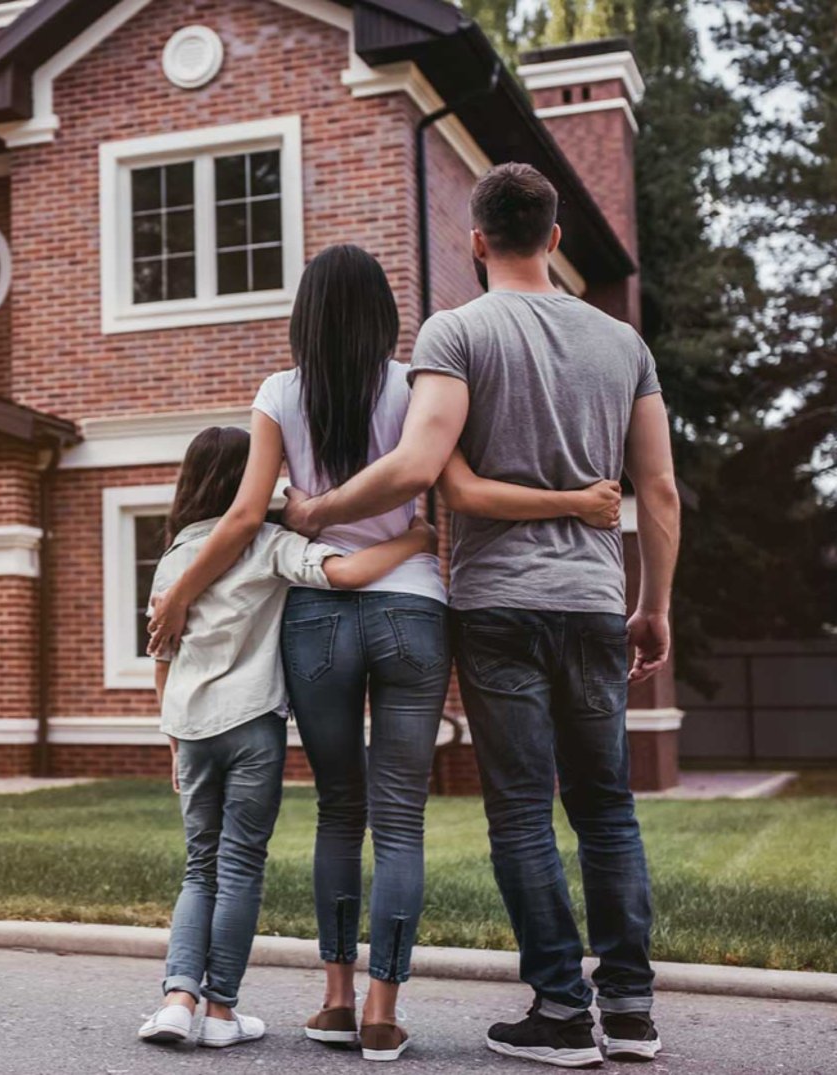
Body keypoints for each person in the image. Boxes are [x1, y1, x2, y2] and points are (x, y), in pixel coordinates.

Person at [146, 244, 620, 1063]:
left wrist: (183, 590)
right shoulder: (418, 385)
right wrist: (426, 532)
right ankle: (380, 1011)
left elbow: (243, 516)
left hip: (319, 619)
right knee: (400, 820)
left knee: (339, 808)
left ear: (303, 315)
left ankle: (332, 999)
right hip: (411, 608)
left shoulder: (279, 393)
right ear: (385, 316)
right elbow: (454, 483)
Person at [278, 164, 682, 1067]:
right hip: (590, 602)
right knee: (608, 809)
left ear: (475, 241)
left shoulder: (456, 332)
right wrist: (652, 603)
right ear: (556, 237)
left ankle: (561, 1011)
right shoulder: (624, 345)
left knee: (524, 815)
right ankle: (630, 1008)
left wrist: (319, 509)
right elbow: (656, 485)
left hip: (498, 605)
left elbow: (422, 467)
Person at [135, 425, 435, 1051]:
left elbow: (161, 654)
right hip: (252, 729)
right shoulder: (270, 544)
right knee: (240, 867)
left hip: (189, 731)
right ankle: (220, 1012)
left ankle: (175, 999)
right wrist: (414, 538)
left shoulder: (174, 557)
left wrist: (171, 740)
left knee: (200, 868)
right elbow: (348, 574)